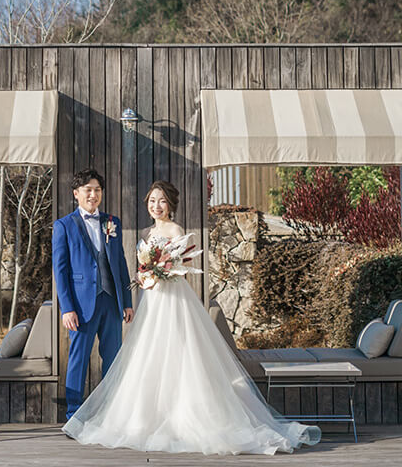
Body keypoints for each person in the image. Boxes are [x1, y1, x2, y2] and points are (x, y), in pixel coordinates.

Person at [63, 180, 321, 455]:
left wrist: (161, 271)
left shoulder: (176, 230)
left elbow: (182, 266)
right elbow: (138, 265)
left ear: (170, 204)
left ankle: (184, 415)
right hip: (151, 299)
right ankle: (137, 414)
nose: (156, 206)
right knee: (147, 354)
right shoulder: (147, 231)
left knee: (178, 352)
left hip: (172, 299)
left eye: (161, 201)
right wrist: (144, 274)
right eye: (152, 201)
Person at [51, 168, 134, 421]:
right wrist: (66, 308)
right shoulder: (63, 225)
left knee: (112, 358)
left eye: (97, 190)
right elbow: (60, 269)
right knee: (78, 359)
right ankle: (74, 414)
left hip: (110, 300)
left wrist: (127, 302)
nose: (93, 194)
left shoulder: (112, 222)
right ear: (76, 193)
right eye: (88, 190)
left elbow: (119, 263)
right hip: (80, 304)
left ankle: (110, 411)